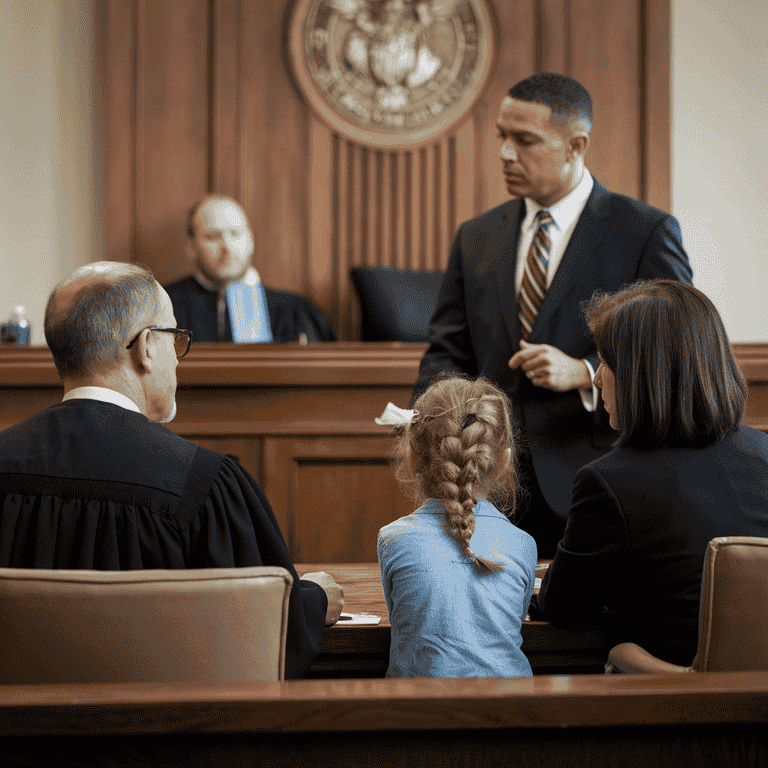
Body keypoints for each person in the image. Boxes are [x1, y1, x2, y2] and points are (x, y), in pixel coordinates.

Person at [0, 261, 343, 680]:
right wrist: (313, 600)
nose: (177, 359)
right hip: (158, 740)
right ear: (146, 346)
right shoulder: (205, 483)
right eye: (174, 338)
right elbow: (267, 631)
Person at [413, 72, 693, 557]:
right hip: (487, 488)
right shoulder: (476, 236)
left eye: (524, 140)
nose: (504, 152)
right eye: (502, 136)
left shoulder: (644, 231)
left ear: (575, 145)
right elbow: (447, 350)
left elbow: (677, 349)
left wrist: (585, 372)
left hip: (597, 481)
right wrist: (435, 415)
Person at [533, 280, 768, 666]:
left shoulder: (610, 482)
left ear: (640, 375)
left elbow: (564, 608)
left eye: (604, 362)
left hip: (676, 710)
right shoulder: (765, 452)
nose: (594, 377)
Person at [378, 376, 537, 678]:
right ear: (503, 461)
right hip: (511, 715)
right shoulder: (523, 544)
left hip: (416, 715)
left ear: (412, 457)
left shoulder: (393, 540)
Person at [166, 195, 336, 343]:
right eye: (213, 236)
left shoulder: (296, 311)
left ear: (250, 240)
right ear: (191, 246)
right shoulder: (165, 306)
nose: (227, 247)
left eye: (235, 234)